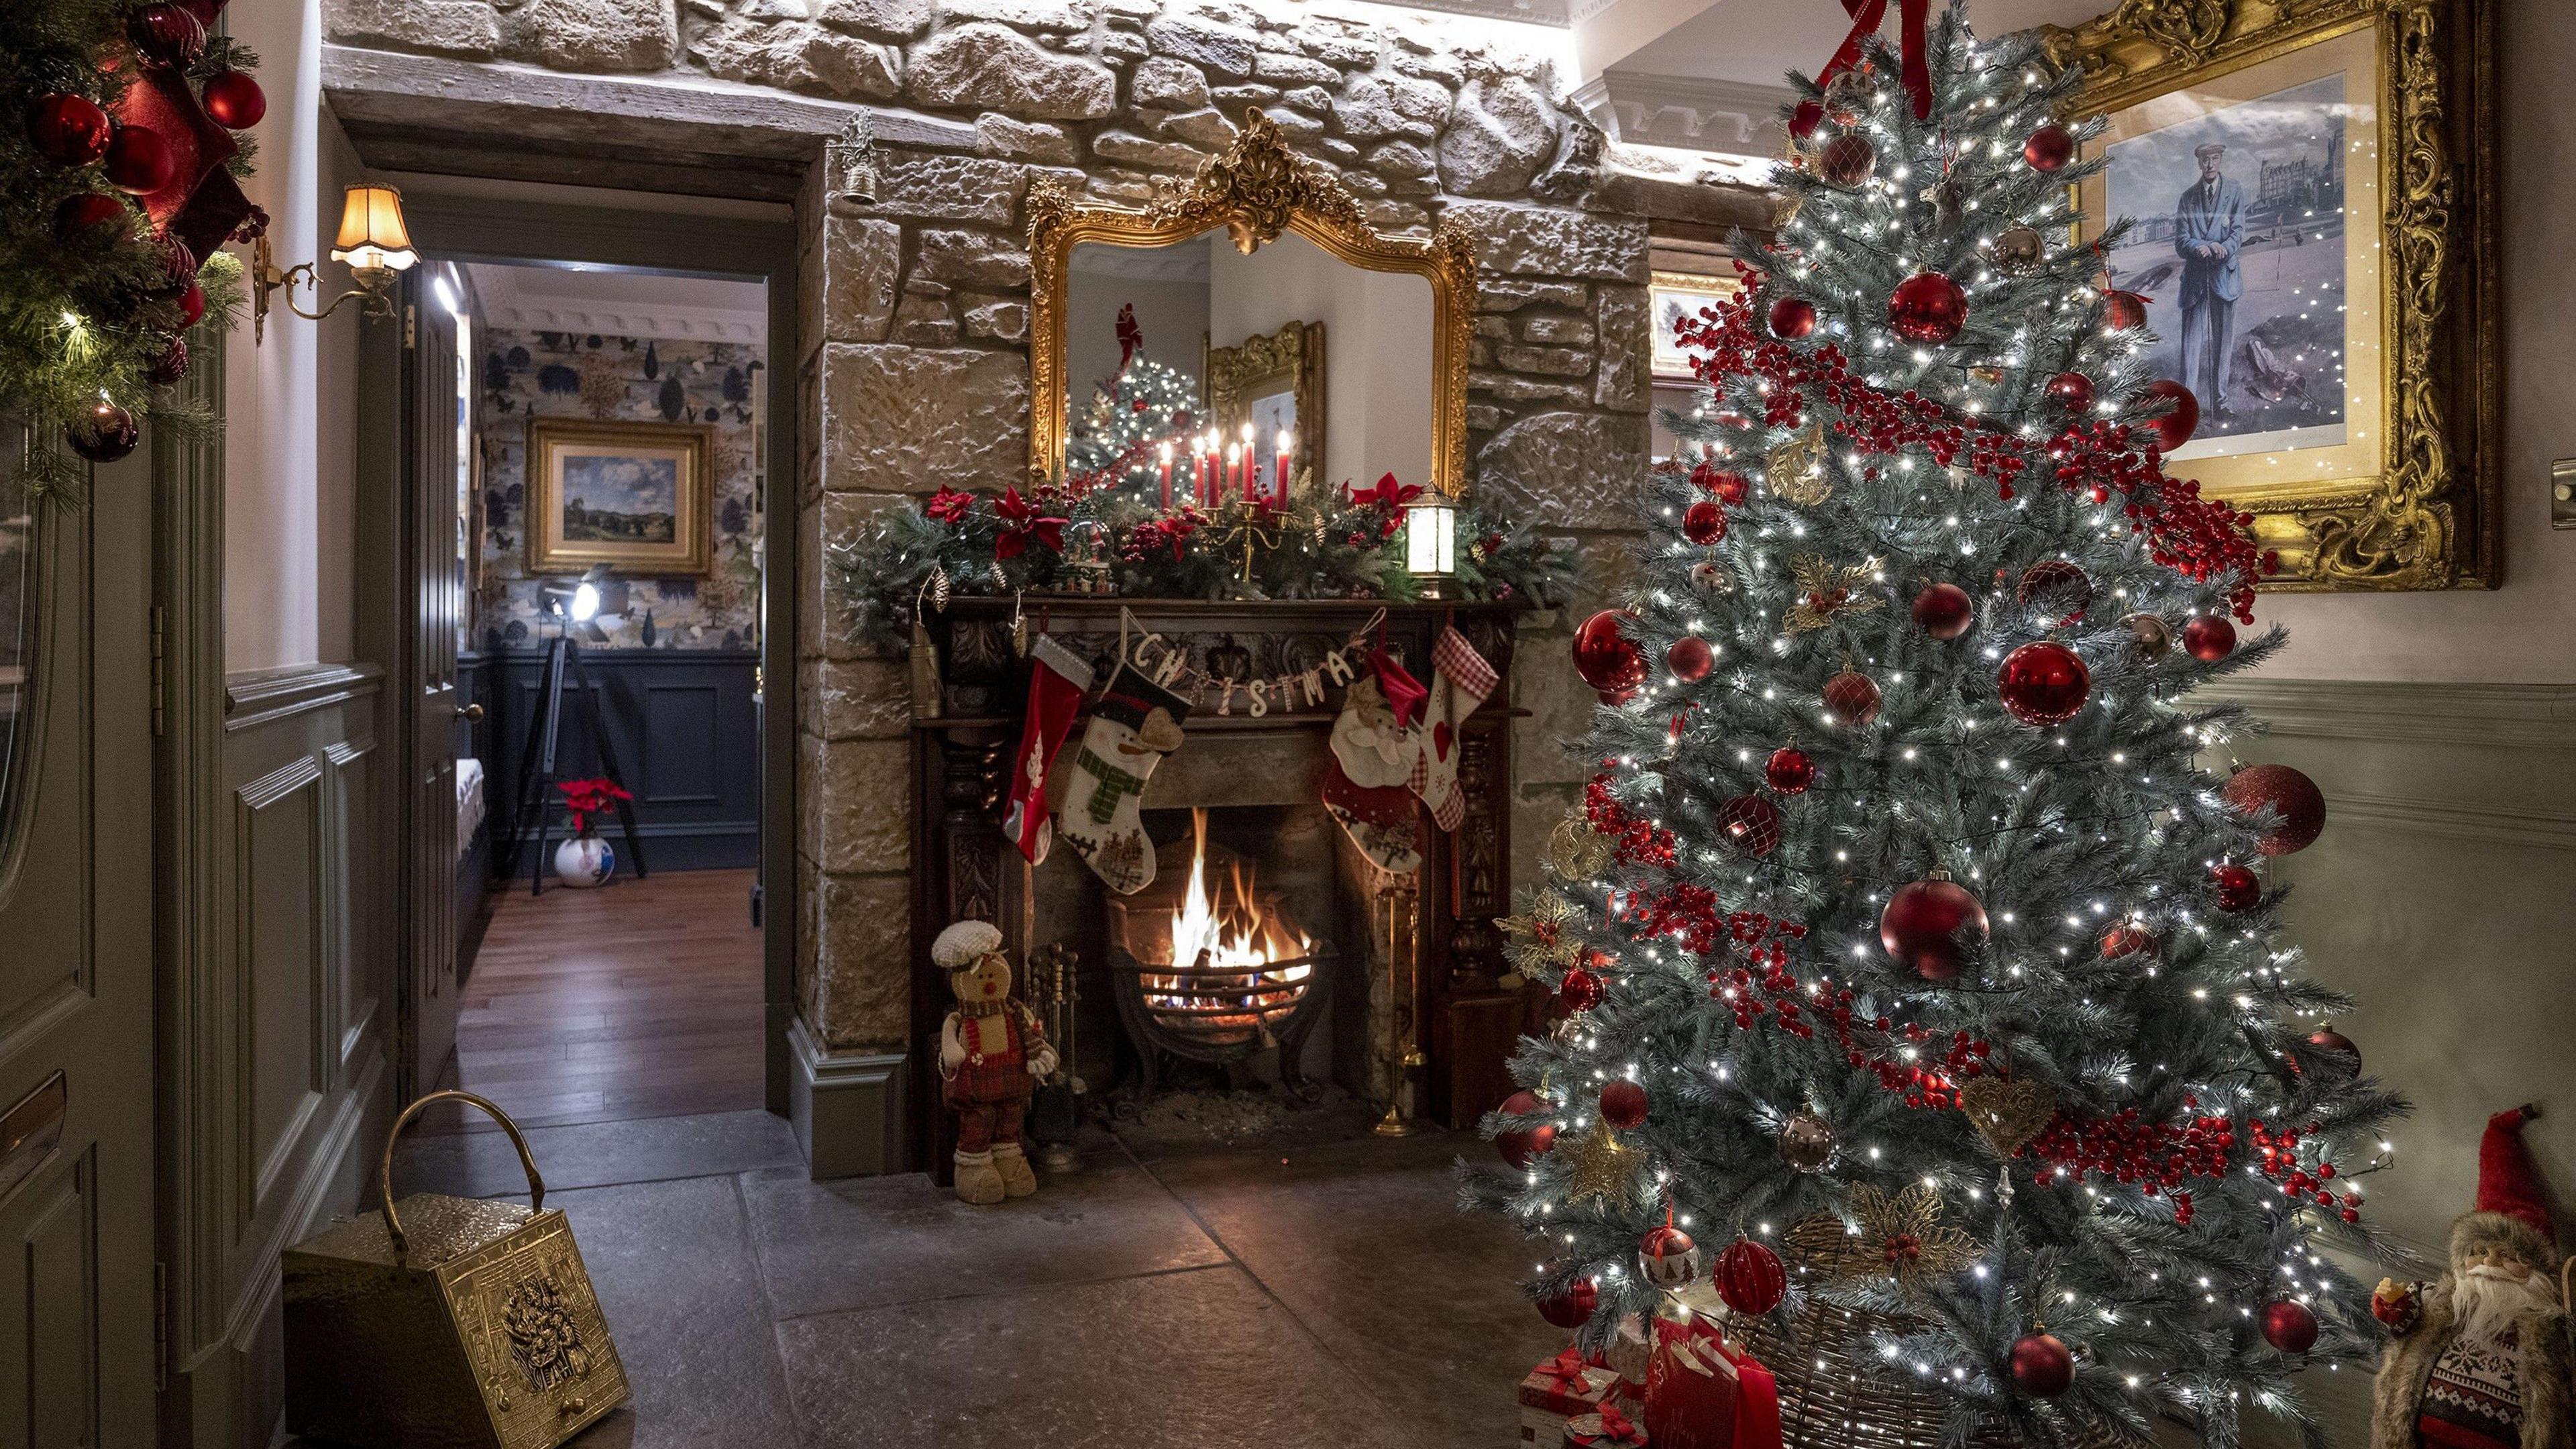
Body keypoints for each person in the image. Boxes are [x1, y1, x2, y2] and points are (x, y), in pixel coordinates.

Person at [2371, 1106, 2573, 1448]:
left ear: (2535, 1270)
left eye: (2509, 1256)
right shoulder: (2439, 1300)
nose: (2490, 1262)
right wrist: (2394, 1306)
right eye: (2480, 1251)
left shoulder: (2549, 1326)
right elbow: (2402, 1323)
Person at [2172, 142, 2246, 420]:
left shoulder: (2235, 191)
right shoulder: (2187, 198)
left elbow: (2238, 232)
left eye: (2215, 158)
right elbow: (2181, 240)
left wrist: (2224, 247)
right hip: (2194, 280)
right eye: (2205, 160)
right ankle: (2187, 407)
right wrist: (2197, 247)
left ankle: (2221, 404)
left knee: (2223, 342)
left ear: (2220, 160)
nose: (2210, 164)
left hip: (2224, 275)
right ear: (2199, 163)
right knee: (2190, 345)